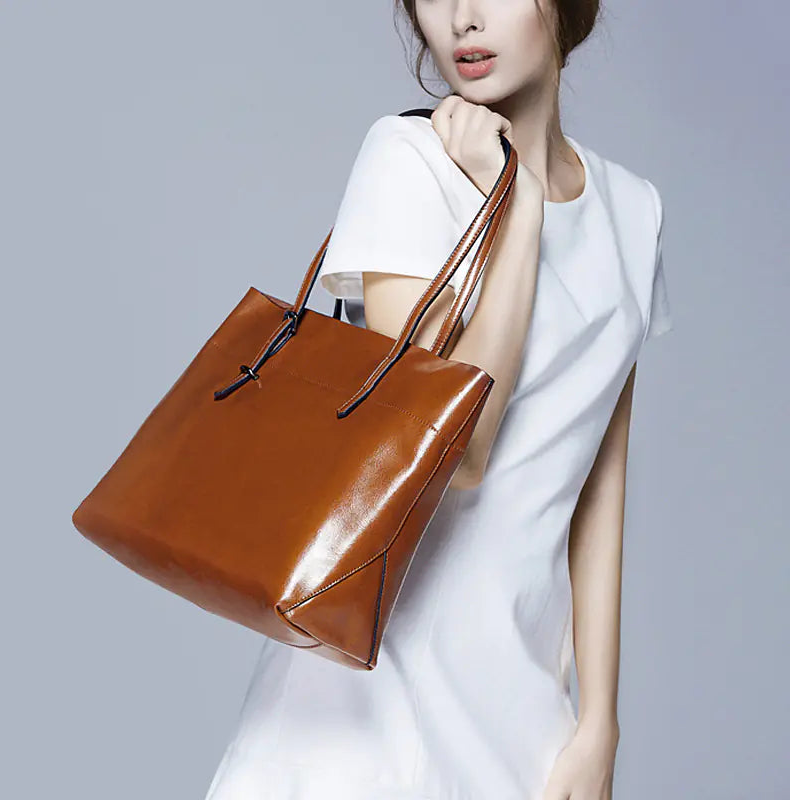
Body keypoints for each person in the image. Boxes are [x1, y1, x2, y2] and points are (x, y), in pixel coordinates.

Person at [203, 0, 673, 797]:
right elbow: (457, 451)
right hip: (370, 700)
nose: (462, 18)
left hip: (523, 706)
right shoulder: (408, 160)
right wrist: (518, 208)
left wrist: (600, 724)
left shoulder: (635, 210)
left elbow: (598, 486)